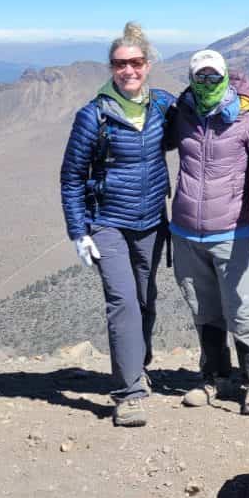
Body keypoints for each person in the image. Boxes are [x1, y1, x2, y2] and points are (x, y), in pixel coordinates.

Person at [59, 22, 174, 428]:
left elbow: (198, 118)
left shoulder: (161, 106)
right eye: (120, 63)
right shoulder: (93, 116)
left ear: (148, 65)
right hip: (108, 222)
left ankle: (137, 365)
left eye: (136, 62)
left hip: (152, 222)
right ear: (110, 67)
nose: (128, 70)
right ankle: (128, 394)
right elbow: (72, 176)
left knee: (145, 298)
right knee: (122, 301)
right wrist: (79, 231)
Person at [168, 49, 249, 415]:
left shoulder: (246, 120)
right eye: (201, 77)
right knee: (204, 309)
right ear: (192, 80)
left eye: (214, 76)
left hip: (233, 232)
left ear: (225, 78)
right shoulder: (181, 115)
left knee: (241, 309)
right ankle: (215, 377)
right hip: (186, 233)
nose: (207, 82)